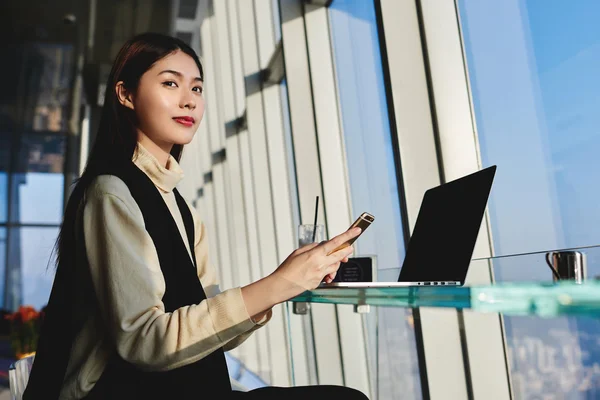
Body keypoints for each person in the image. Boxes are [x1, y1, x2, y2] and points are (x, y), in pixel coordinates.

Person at [23, 33, 368, 400]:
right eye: (170, 83)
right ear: (125, 94)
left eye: (198, 89)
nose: (189, 101)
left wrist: (288, 279)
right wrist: (278, 284)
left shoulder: (182, 209)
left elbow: (206, 328)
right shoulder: (111, 192)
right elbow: (145, 341)